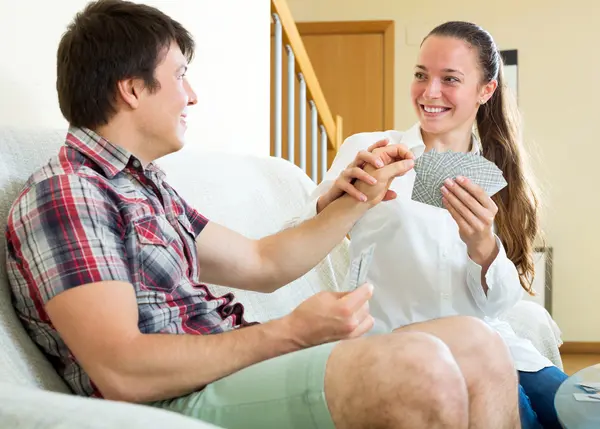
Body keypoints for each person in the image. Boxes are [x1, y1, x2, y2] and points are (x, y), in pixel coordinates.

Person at [4, 2, 521, 428]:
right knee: (421, 367)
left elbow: (260, 261)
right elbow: (122, 370)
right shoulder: (69, 194)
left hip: (230, 367)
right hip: (182, 395)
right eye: (180, 76)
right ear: (133, 88)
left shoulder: (144, 185)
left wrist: (359, 195)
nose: (192, 95)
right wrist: (292, 331)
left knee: (480, 345)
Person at [311, 21, 567, 429]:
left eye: (450, 79)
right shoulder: (370, 149)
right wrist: (337, 201)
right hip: (405, 342)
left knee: (578, 409)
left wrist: (482, 245)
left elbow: (499, 304)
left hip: (493, 343)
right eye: (420, 75)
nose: (429, 92)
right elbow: (310, 234)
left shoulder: (496, 175)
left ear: (486, 90)